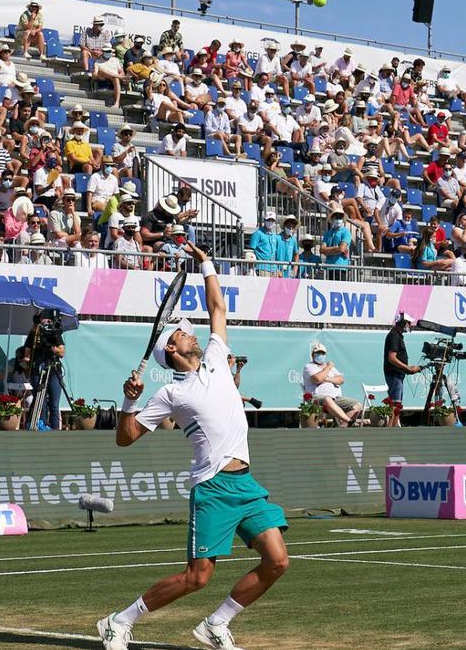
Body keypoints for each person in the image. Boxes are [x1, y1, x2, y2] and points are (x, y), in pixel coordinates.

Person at [99, 243, 289, 650]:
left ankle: (216, 624)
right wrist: (129, 401)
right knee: (196, 578)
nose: (192, 332)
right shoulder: (169, 392)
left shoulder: (217, 357)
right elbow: (125, 438)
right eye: (183, 331)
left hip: (247, 484)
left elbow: (218, 307)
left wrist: (206, 264)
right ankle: (119, 621)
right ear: (171, 347)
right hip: (214, 489)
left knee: (278, 561)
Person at [301, 342, 362, 428]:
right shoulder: (309, 367)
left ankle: (342, 428)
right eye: (318, 353)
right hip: (317, 398)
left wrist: (327, 379)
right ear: (313, 354)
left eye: (322, 353)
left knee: (357, 405)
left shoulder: (329, 366)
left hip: (336, 398)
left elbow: (341, 380)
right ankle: (349, 421)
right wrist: (328, 368)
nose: (320, 355)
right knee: (327, 399)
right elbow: (318, 379)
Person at [382, 313, 422, 428]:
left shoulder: (397, 335)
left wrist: (407, 369)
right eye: (409, 323)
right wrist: (407, 368)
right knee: (395, 403)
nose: (410, 325)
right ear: (403, 323)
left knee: (397, 403)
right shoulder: (394, 335)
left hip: (397, 374)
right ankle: (390, 430)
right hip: (394, 374)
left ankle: (395, 426)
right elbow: (392, 358)